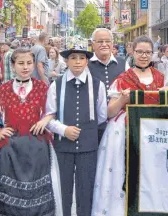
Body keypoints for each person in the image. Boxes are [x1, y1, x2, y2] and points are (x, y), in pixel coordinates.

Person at [91, 35, 168, 216]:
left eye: (148, 52)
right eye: (140, 52)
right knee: (126, 176)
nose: (144, 56)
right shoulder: (123, 78)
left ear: (153, 54)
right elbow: (109, 112)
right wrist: (123, 99)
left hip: (155, 133)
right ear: (132, 52)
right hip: (126, 133)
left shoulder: (162, 79)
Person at [0, 48, 63, 216]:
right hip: (10, 145)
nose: (26, 67)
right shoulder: (4, 89)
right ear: (12, 66)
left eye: (29, 63)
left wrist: (44, 120)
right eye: (21, 63)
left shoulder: (43, 87)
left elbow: (52, 111)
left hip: (37, 145)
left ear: (34, 65)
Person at [46, 46, 107, 216]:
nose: (78, 61)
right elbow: (48, 116)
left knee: (86, 189)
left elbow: (101, 115)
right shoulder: (56, 85)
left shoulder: (97, 85)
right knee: (62, 189)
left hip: (88, 147)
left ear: (87, 61)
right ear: (66, 61)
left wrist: (87, 131)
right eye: (73, 58)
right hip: (63, 147)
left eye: (81, 58)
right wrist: (63, 129)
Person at [88, 28, 128, 141]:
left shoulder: (123, 63)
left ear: (112, 43)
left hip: (117, 123)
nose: (104, 44)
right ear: (93, 44)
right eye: (100, 42)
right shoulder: (86, 64)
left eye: (107, 41)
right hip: (93, 123)